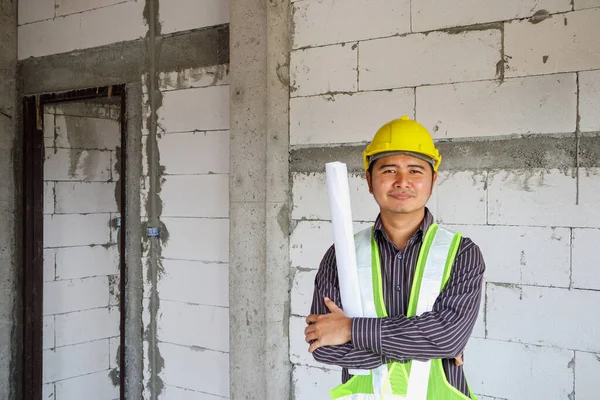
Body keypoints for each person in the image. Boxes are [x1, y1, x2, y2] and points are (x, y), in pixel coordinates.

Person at [304, 116, 485, 399]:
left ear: (433, 179)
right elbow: (324, 345)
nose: (402, 181)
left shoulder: (461, 253)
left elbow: (448, 337)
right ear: (369, 180)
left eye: (415, 170)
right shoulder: (341, 255)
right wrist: (425, 343)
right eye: (389, 170)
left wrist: (351, 329)